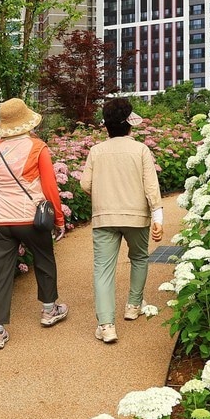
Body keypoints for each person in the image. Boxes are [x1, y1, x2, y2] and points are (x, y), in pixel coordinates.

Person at [0, 98, 68, 350]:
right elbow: (50, 186)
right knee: (44, 259)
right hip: (31, 217)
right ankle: (49, 310)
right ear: (27, 121)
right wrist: (58, 219)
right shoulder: (38, 147)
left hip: (0, 218)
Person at [79, 97, 163, 344]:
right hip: (136, 215)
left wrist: (103, 195)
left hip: (105, 216)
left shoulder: (96, 151)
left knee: (103, 270)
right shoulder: (140, 150)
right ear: (129, 125)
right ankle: (133, 305)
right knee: (138, 257)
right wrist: (157, 216)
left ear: (106, 126)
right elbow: (151, 186)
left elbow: (85, 184)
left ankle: (106, 326)